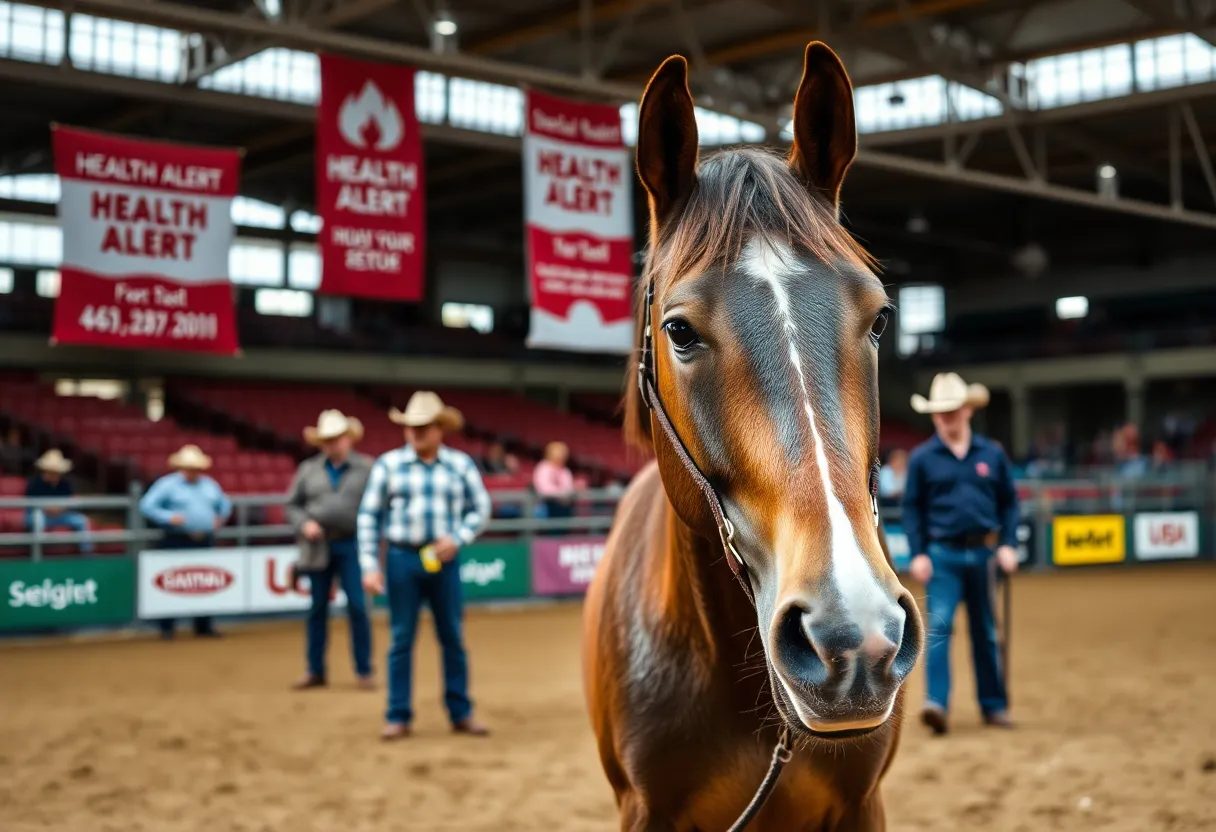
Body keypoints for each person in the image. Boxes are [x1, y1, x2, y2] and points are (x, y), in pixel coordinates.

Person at [358, 391, 493, 741]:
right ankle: (398, 714)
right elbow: (368, 517)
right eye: (410, 427)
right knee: (401, 638)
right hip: (402, 558)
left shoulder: (459, 465)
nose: (415, 432)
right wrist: (370, 565)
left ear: (439, 429)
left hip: (444, 560)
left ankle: (460, 711)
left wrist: (459, 538)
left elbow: (480, 508)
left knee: (452, 636)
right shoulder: (387, 465)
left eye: (423, 426)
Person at [902, 372, 1019, 736]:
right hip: (942, 555)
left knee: (985, 631)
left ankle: (993, 706)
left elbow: (1010, 503)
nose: (944, 418)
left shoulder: (992, 454)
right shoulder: (922, 459)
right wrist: (919, 553)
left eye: (951, 410)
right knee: (938, 627)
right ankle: (936, 704)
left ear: (967, 410)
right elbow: (912, 509)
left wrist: (1008, 544)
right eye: (939, 412)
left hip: (984, 556)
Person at [287, 410, 375, 691]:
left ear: (347, 439)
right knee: (317, 609)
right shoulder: (308, 470)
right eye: (327, 440)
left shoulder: (367, 468)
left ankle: (364, 670)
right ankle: (315, 670)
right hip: (318, 545)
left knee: (358, 607)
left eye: (336, 438)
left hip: (353, 543)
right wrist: (305, 524)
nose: (332, 444)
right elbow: (292, 505)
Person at [139, 444, 232, 639]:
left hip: (204, 539)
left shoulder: (210, 484)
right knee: (173, 582)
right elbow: (147, 505)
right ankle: (167, 627)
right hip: (176, 538)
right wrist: (167, 517)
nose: (193, 471)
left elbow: (225, 503)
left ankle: (203, 625)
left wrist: (219, 517)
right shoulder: (167, 485)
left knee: (204, 582)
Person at [25, 449, 93, 553]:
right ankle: (37, 553)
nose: (55, 474)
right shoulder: (35, 483)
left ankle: (86, 552)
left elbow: (72, 500)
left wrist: (62, 508)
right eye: (52, 471)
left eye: (57, 472)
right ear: (46, 470)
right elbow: (32, 503)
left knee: (82, 520)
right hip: (40, 515)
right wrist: (49, 509)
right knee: (38, 519)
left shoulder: (65, 484)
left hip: (60, 515)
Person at [533, 441, 574, 533]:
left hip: (563, 506)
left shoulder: (565, 470)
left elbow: (569, 488)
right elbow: (544, 489)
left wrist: (562, 494)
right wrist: (560, 493)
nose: (561, 459)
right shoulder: (543, 468)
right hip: (545, 505)